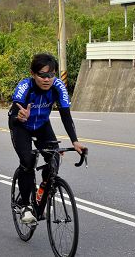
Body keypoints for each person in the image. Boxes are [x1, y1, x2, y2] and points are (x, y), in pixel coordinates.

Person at [8, 53, 86, 224]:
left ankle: (42, 190)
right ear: (33, 74)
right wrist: (19, 116)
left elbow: (66, 116)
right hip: (20, 125)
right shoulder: (24, 87)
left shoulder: (58, 86)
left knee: (54, 158)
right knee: (28, 162)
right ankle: (26, 205)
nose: (47, 79)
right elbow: (14, 113)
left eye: (51, 75)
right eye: (42, 75)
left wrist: (75, 141)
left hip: (42, 125)